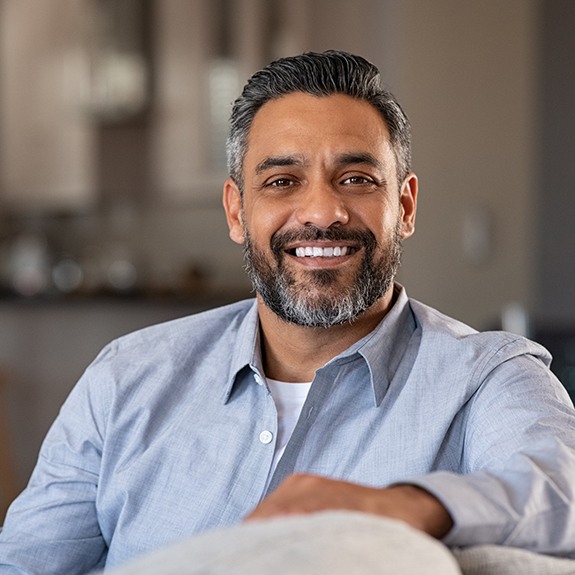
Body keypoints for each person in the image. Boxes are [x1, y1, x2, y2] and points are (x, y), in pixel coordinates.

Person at [1, 49, 575, 574]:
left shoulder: (490, 377)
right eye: (282, 181)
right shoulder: (126, 376)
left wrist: (404, 505)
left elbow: (560, 493)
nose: (322, 211)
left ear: (404, 206)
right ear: (235, 210)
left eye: (356, 178)